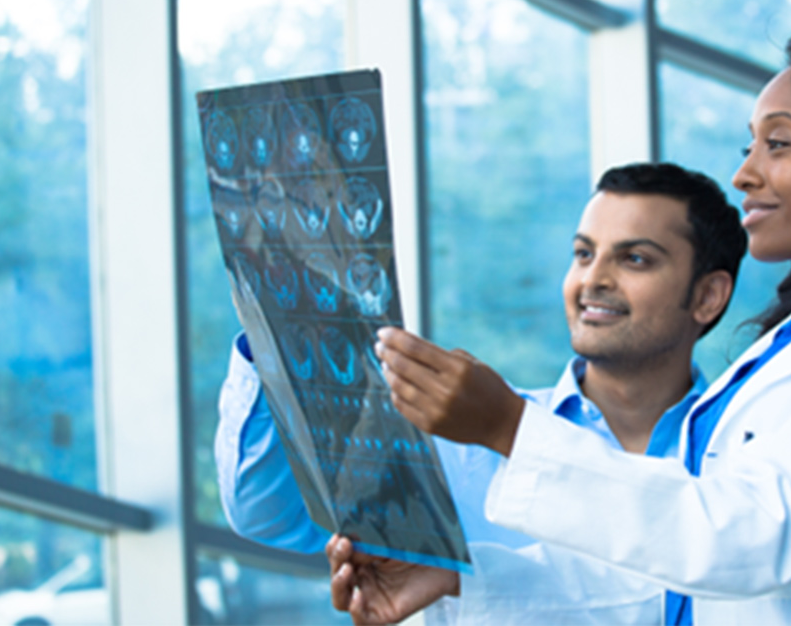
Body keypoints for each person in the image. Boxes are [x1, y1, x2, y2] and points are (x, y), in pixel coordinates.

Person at [371, 23, 791, 625]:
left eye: (778, 144)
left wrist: (508, 428)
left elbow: (745, 535)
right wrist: (457, 581)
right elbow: (669, 585)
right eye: (750, 146)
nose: (745, 174)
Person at [214, 162, 748, 624]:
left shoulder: (743, 451)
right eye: (583, 254)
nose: (594, 280)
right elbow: (267, 512)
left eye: (635, 259)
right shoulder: (461, 433)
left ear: (707, 295)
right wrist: (276, 326)